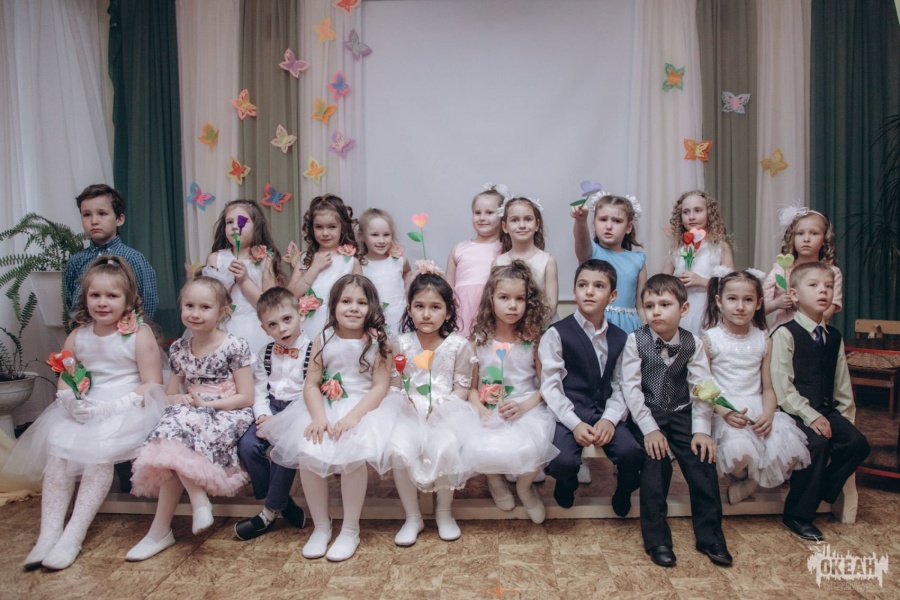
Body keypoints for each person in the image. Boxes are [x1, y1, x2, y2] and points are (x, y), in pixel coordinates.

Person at [7, 257, 164, 570]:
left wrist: (113, 407)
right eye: (95, 295)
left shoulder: (138, 334)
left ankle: (73, 535)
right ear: (85, 298)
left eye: (112, 296)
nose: (103, 302)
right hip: (87, 405)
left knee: (97, 453)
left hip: (128, 406)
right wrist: (69, 400)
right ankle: (48, 534)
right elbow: (65, 376)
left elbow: (152, 383)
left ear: (128, 300)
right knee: (59, 448)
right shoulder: (78, 335)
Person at [261, 275, 399, 562]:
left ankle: (350, 529)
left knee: (352, 457)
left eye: (361, 302)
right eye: (346, 301)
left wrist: (353, 417)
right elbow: (311, 384)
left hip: (364, 409)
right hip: (325, 406)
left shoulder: (380, 342)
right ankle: (321, 527)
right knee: (310, 452)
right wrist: (318, 417)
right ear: (334, 305)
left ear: (372, 307)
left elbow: (380, 387)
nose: (354, 308)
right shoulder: (323, 338)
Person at [127, 276, 254, 561]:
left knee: (176, 431)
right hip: (192, 413)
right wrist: (181, 399)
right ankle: (194, 504)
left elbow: (246, 397)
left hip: (227, 412)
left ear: (223, 312)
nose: (195, 313)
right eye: (189, 306)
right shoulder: (179, 349)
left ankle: (161, 530)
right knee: (175, 425)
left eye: (205, 307)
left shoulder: (235, 346)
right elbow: (171, 395)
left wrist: (208, 404)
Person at [621, 274, 731, 568]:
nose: (655, 311)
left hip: (683, 410)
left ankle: (710, 536)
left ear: (683, 309)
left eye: (664, 304)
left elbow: (702, 387)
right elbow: (631, 390)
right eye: (649, 306)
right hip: (648, 412)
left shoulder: (693, 343)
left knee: (702, 462)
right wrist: (650, 430)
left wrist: (701, 431)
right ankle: (657, 539)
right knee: (655, 465)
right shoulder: (635, 340)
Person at [771, 261, 870, 542]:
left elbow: (842, 384)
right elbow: (782, 387)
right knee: (816, 444)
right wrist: (809, 415)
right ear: (794, 294)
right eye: (813, 285)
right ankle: (797, 515)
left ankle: (822, 492)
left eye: (828, 286)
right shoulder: (785, 333)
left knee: (856, 443)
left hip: (826, 409)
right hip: (793, 411)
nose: (823, 291)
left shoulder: (834, 336)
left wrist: (845, 421)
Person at [539, 259, 643, 516]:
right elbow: (551, 387)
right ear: (574, 291)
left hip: (604, 411)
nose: (589, 291)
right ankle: (567, 483)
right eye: (582, 285)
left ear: (612, 296)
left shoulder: (621, 338)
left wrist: (610, 419)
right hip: (569, 412)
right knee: (562, 461)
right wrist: (574, 423)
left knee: (632, 453)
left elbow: (621, 384)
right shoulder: (556, 333)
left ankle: (624, 490)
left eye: (599, 286)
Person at [701, 269, 810, 504]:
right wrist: (724, 412)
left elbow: (768, 387)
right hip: (725, 409)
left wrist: (768, 415)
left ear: (759, 303)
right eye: (732, 299)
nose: (740, 307)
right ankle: (743, 477)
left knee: (789, 447)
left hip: (758, 407)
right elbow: (703, 386)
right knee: (738, 454)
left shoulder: (763, 339)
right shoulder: (709, 339)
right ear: (719, 301)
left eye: (748, 300)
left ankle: (751, 483)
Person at [466, 261, 556, 523]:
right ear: (491, 299)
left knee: (539, 438)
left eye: (520, 299)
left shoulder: (534, 339)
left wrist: (524, 407)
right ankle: (494, 479)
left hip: (526, 406)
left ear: (529, 302)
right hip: (488, 407)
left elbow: (546, 385)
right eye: (504, 298)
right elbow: (471, 387)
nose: (512, 305)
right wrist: (481, 409)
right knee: (480, 440)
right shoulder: (479, 340)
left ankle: (524, 487)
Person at [388, 273, 475, 545]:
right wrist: (406, 403)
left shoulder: (459, 345)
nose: (426, 314)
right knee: (399, 449)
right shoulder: (399, 343)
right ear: (409, 308)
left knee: (446, 445)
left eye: (435, 307)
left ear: (448, 312)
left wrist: (442, 408)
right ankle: (412, 516)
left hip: (445, 412)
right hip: (407, 411)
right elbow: (394, 384)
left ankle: (444, 512)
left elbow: (462, 387)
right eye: (419, 306)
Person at [233, 288, 310, 541]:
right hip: (271, 407)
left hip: (300, 409)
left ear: (300, 315)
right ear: (264, 329)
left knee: (284, 451)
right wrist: (264, 415)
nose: (282, 329)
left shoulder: (313, 350)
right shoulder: (265, 353)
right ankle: (282, 501)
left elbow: (311, 391)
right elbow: (259, 388)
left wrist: (282, 421)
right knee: (247, 446)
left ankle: (269, 512)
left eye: (287, 319)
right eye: (273, 325)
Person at [64, 183, 158, 321]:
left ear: (119, 219)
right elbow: (71, 302)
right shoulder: (76, 261)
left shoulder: (133, 259)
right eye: (87, 215)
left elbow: (148, 302)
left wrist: (137, 329)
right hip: (85, 330)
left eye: (102, 213)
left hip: (124, 331)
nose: (94, 221)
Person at [201, 199, 284, 353]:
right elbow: (210, 300)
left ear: (256, 226)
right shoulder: (216, 259)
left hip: (256, 328)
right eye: (229, 222)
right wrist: (226, 281)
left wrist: (244, 280)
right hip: (223, 327)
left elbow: (269, 305)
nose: (234, 226)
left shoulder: (266, 259)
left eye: (241, 221)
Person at [287, 194, 362, 340]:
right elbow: (291, 295)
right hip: (309, 324)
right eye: (319, 227)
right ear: (311, 228)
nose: (325, 233)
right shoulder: (305, 259)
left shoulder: (351, 262)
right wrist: (314, 268)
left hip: (340, 325)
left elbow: (360, 298)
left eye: (332, 227)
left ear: (342, 227)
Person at [572, 192, 647, 333]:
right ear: (594, 224)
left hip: (629, 328)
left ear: (628, 227)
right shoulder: (589, 252)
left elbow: (641, 306)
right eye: (603, 219)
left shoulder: (638, 260)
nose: (609, 226)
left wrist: (647, 335)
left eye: (617, 221)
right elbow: (581, 239)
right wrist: (581, 221)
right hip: (595, 324)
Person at [663, 190, 734, 334]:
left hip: (710, 310)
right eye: (686, 212)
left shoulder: (720, 247)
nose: (692, 217)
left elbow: (732, 287)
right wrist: (675, 284)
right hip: (682, 310)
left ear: (709, 214)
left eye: (698, 210)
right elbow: (662, 284)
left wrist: (701, 281)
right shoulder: (676, 249)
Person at [764, 206, 842, 330]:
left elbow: (828, 311)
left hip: (814, 334)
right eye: (800, 233)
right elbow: (760, 309)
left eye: (814, 233)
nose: (806, 239)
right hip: (783, 333)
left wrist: (797, 305)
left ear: (824, 239)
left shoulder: (832, 272)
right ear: (792, 237)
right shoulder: (781, 269)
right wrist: (776, 303)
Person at [445, 183, 506, 336]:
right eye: (477, 213)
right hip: (462, 312)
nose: (482, 218)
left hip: (491, 311)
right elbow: (447, 286)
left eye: (489, 212)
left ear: (502, 215)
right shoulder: (459, 248)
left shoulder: (505, 249)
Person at [492, 196, 559, 321]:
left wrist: (532, 327)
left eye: (528, 219)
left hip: (542, 326)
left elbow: (551, 305)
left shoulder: (548, 261)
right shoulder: (498, 263)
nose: (522, 225)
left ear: (537, 224)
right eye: (514, 220)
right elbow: (495, 302)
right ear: (505, 227)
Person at [358, 208, 412, 335]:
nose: (381, 241)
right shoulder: (360, 264)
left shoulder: (398, 261)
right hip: (373, 317)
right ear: (362, 237)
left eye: (386, 235)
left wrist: (407, 288)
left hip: (399, 315)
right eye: (375, 235)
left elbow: (408, 271)